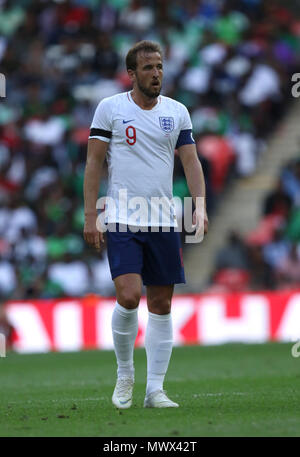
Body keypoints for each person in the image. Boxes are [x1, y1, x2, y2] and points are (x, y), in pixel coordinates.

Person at [83, 41, 208, 409]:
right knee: (128, 295)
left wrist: (199, 206)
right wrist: (92, 215)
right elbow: (94, 163)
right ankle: (125, 374)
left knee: (161, 304)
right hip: (122, 215)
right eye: (149, 67)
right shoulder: (110, 109)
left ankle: (155, 391)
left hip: (163, 219)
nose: (157, 73)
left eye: (159, 66)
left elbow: (192, 162)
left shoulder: (177, 112)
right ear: (132, 74)